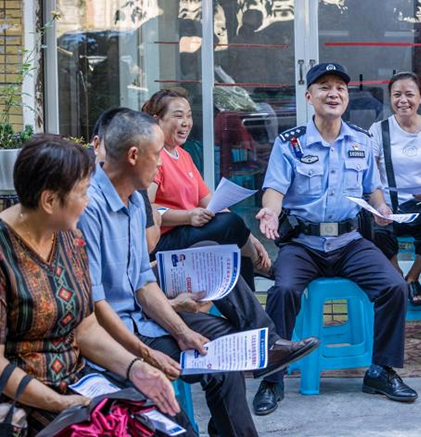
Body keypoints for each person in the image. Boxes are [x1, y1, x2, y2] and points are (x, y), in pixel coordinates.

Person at [78, 109, 319, 435]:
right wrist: (149, 352)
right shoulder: (86, 209)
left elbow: (142, 282)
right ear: (134, 156)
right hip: (115, 337)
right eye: (156, 155)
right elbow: (94, 308)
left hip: (143, 318)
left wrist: (180, 330)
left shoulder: (135, 202)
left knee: (223, 346)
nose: (161, 164)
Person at [253, 62, 417, 416]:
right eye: (324, 87)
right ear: (309, 96)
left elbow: (373, 187)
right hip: (304, 244)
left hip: (350, 242)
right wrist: (269, 210)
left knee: (395, 287)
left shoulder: (361, 140)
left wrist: (382, 208)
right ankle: (272, 378)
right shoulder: (290, 144)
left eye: (340, 87)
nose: (334, 93)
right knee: (283, 291)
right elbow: (274, 189)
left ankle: (380, 371)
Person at [0, 135, 180, 432]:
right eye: (83, 194)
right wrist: (60, 404)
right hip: (24, 400)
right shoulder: (5, 252)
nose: (87, 203)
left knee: (165, 423)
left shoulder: (71, 239)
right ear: (49, 200)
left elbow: (85, 329)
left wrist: (136, 368)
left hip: (77, 385)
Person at [141, 88, 271, 288]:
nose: (186, 123)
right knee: (231, 227)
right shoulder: (154, 156)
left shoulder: (183, 155)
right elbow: (146, 208)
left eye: (189, 116)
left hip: (189, 230)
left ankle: (248, 308)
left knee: (234, 234)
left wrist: (250, 237)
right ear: (157, 120)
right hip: (164, 238)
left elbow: (209, 201)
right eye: (178, 116)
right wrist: (188, 216)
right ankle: (260, 266)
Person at [367, 72, 421, 307]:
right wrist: (379, 205)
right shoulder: (378, 130)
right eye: (397, 95)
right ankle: (397, 277)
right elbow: (371, 177)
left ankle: (412, 276)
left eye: (409, 94)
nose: (403, 100)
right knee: (375, 232)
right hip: (389, 205)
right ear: (390, 98)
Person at [91, 106, 163, 254]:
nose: (160, 162)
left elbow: (143, 270)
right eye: (156, 154)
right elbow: (149, 243)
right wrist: (156, 215)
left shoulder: (135, 198)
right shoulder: (87, 204)